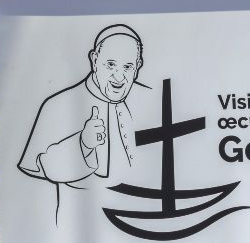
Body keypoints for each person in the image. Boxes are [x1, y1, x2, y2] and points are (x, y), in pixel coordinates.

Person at [18, 24, 151, 188]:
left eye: (127, 67)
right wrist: (84, 144)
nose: (119, 77)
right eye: (110, 64)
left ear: (138, 66)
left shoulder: (151, 98)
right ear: (95, 59)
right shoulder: (58, 104)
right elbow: (39, 168)